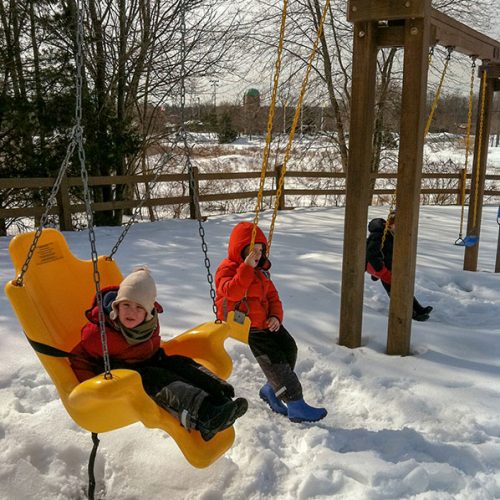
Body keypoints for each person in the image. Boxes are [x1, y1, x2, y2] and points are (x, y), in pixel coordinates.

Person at [70, 267, 247, 441]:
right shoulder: (99, 332)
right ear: (116, 306)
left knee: (179, 363)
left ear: (149, 312)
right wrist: (92, 390)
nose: (131, 311)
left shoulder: (150, 323)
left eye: (139, 308)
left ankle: (220, 397)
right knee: (156, 378)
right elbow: (79, 357)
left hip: (150, 359)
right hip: (122, 378)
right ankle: (205, 416)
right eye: (126, 305)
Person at [215, 221, 327, 423]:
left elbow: (273, 296)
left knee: (289, 348)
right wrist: (246, 269)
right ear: (239, 249)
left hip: (267, 323)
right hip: (248, 327)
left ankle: (271, 388)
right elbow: (232, 292)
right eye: (252, 250)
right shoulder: (227, 269)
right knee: (275, 362)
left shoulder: (262, 270)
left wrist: (276, 316)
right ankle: (295, 404)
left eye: (260, 250)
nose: (257, 255)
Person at [365, 211, 433, 321]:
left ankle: (418, 309)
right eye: (397, 225)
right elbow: (372, 255)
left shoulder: (392, 234)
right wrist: (380, 271)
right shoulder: (379, 235)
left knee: (402, 288)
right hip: (382, 269)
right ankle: (409, 313)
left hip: (389, 267)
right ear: (390, 224)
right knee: (395, 291)